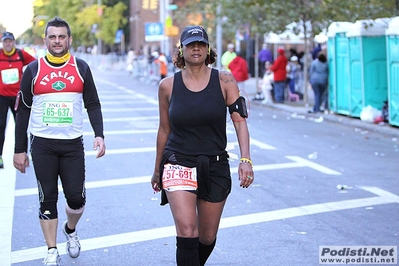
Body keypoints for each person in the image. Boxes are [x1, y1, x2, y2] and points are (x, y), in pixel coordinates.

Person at [151, 25, 254, 266]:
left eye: (201, 44)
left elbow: (240, 123)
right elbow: (164, 129)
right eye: (190, 44)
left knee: (207, 236)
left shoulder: (225, 80)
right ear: (181, 49)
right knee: (187, 231)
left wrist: (245, 159)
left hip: (215, 164)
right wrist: (157, 170)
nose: (196, 48)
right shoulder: (167, 86)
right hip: (178, 163)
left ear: (208, 49)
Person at [13, 17, 106, 265]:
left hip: (72, 144)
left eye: (61, 36)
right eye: (52, 37)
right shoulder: (33, 70)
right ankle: (51, 250)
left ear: (69, 39)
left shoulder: (81, 67)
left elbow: (93, 104)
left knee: (76, 199)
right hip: (42, 143)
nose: (57, 41)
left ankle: (71, 230)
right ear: (45, 40)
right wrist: (19, 149)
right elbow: (22, 110)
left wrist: (99, 134)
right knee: (47, 198)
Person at [0, 31, 36, 169]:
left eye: (10, 41)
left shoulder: (21, 54)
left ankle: (23, 154)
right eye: (5, 42)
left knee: (21, 126)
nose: (8, 44)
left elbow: (35, 65)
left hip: (17, 97)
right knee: (0, 127)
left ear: (14, 42)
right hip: (2, 96)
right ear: (3, 43)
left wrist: (28, 82)